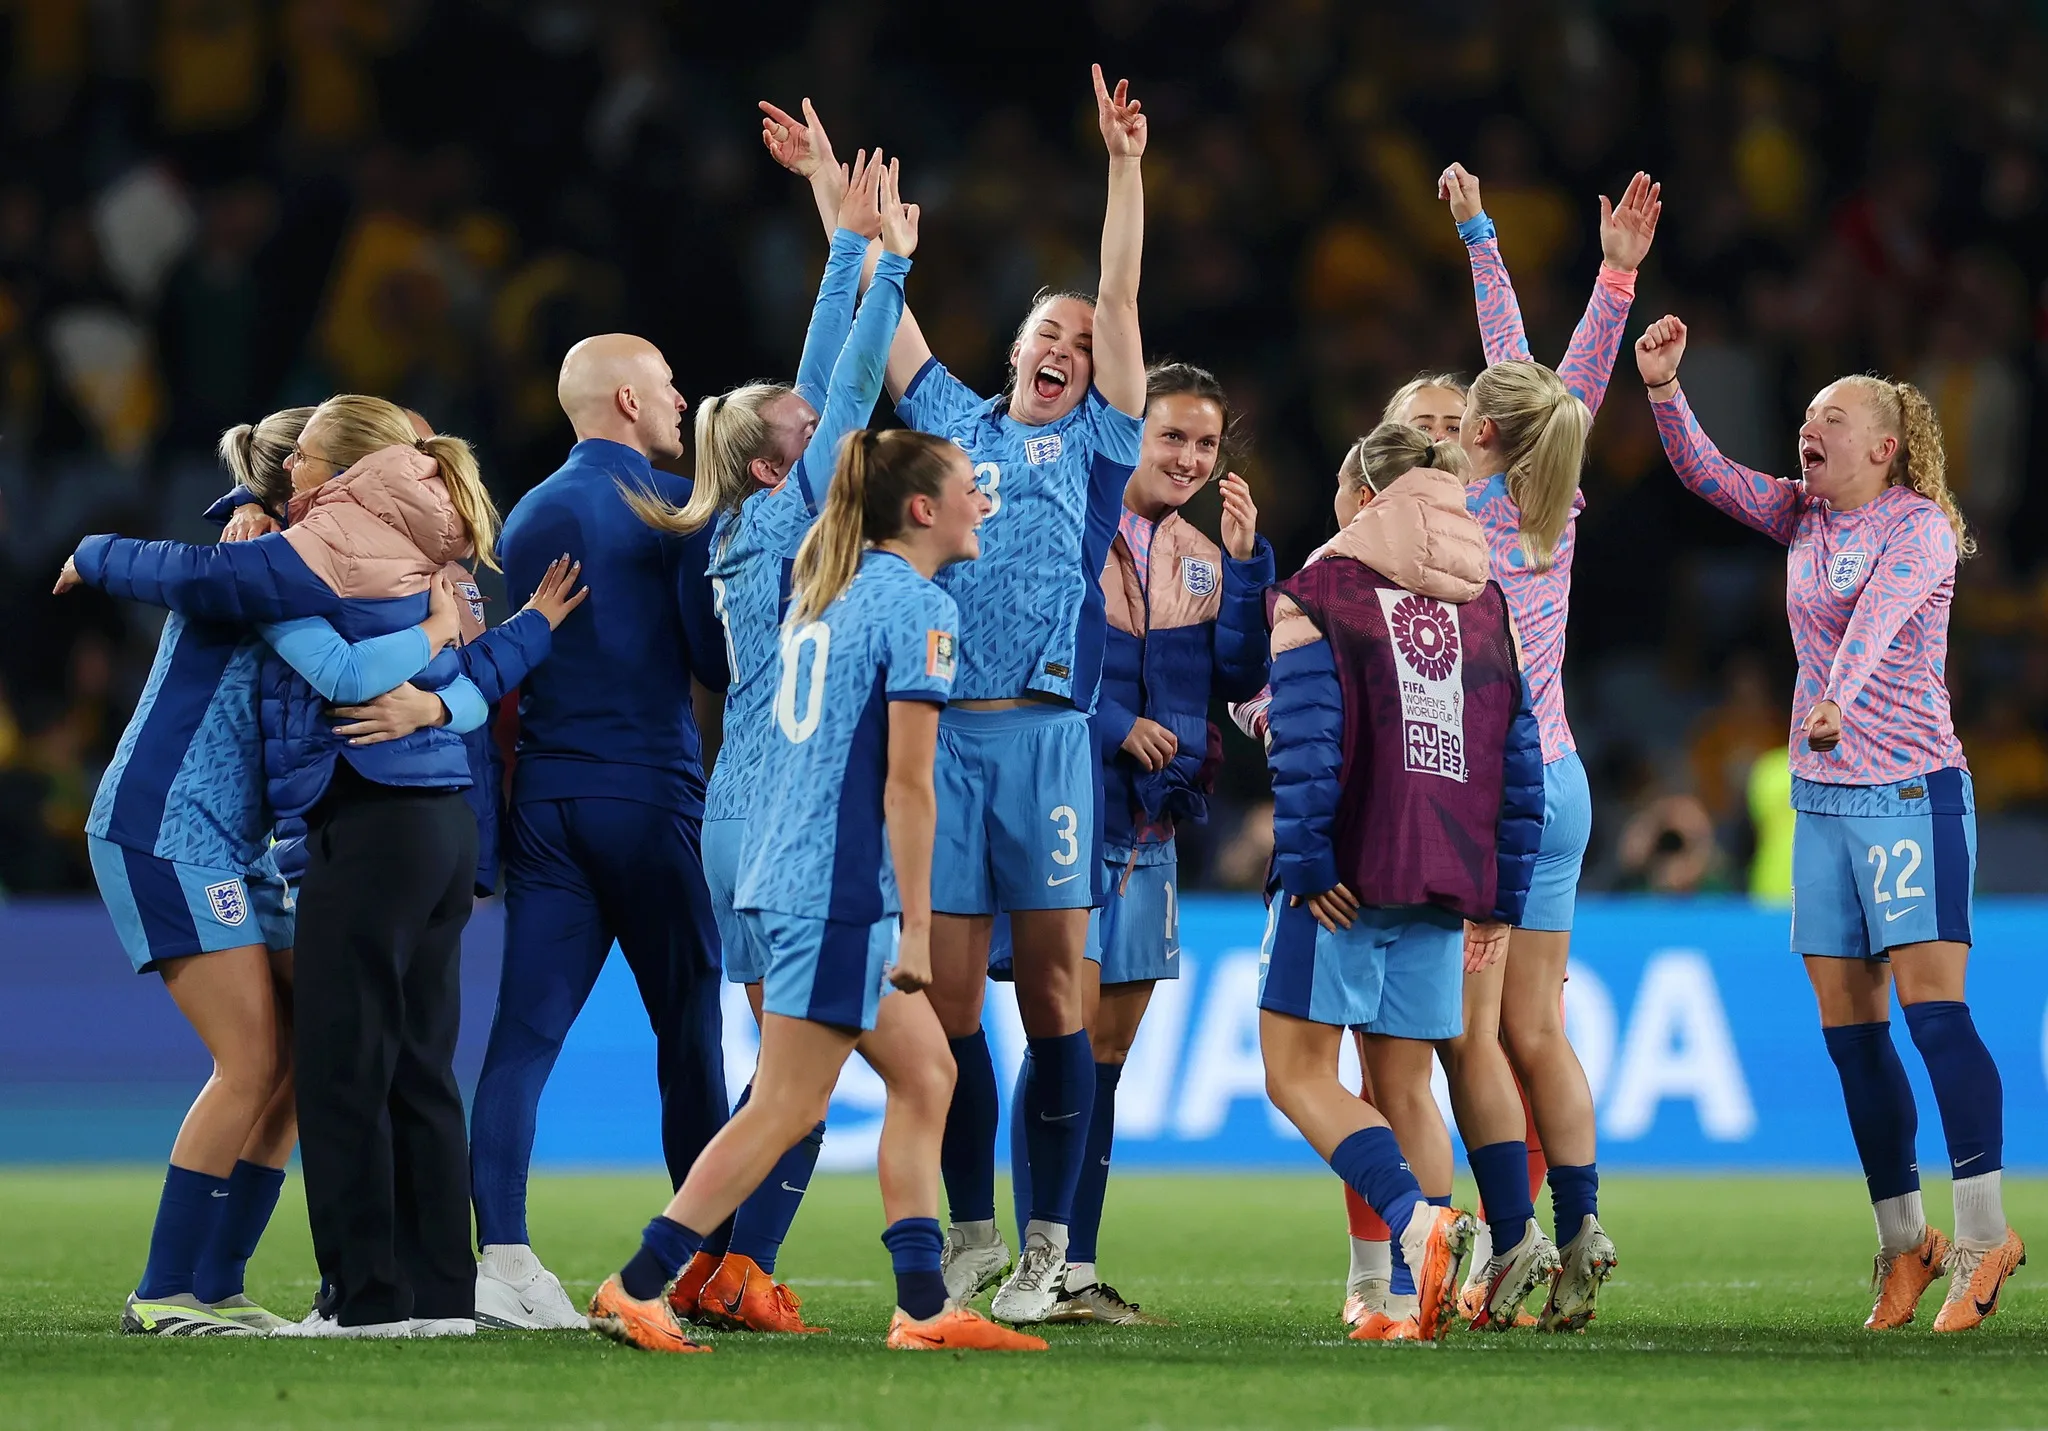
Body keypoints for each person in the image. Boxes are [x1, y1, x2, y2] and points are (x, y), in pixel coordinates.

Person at [62, 394, 553, 1337]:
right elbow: (324, 656)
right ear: (319, 479)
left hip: (241, 845)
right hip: (166, 822)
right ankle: (165, 1289)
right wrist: (434, 634)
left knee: (306, 1057)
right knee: (252, 1060)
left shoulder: (327, 557)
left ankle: (218, 1281)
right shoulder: (274, 560)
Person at [585, 427, 1041, 1354]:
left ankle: (922, 1306)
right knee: (787, 1106)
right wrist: (919, 922)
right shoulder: (915, 608)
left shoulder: (826, 592)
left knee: (927, 1075)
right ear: (922, 509)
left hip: (796, 871)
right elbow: (907, 786)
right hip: (834, 889)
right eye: (966, 487)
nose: (981, 501)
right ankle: (638, 1283)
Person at [1638, 314, 2026, 1332]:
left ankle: (1984, 1230)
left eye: (1828, 420)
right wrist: (1662, 391)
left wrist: (1832, 701)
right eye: (1805, 418)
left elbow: (1875, 625)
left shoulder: (1917, 527)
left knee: (1932, 1014)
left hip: (1906, 794)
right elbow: (1706, 477)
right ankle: (1906, 1244)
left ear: (1882, 448)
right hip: (1821, 809)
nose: (1805, 431)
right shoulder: (1802, 516)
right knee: (1849, 1038)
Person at [624, 149, 920, 1333]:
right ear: (772, 459)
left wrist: (846, 245)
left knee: (796, 1069)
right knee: (804, 1074)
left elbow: (813, 385)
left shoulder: (746, 521)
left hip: (730, 819)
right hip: (792, 817)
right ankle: (700, 1268)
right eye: (806, 430)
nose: (832, 426)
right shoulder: (797, 510)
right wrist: (888, 268)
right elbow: (840, 385)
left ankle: (716, 1267)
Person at [881, 65, 1149, 1324]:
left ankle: (1052, 1247)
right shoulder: (953, 430)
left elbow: (1119, 290)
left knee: (1054, 996)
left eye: (1080, 345)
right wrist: (855, 228)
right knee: (942, 1006)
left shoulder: (1097, 443)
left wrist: (1122, 168)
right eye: (1048, 333)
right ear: (1012, 350)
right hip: (942, 745)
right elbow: (887, 334)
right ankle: (980, 1232)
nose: (1065, 347)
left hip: (1046, 744)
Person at [469, 325, 734, 1329]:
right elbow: (711, 663)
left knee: (524, 1038)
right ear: (625, 401)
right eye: (666, 385)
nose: (678, 401)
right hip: (648, 798)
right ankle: (710, 1265)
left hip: (544, 800)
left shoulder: (530, 512)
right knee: (688, 1028)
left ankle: (499, 1256)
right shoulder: (671, 510)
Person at [1258, 420, 1543, 1345]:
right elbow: (1519, 758)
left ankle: (1421, 1227)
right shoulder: (1487, 601)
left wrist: (1306, 860)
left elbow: (1304, 738)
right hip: (1447, 874)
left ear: (1359, 495)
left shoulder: (1322, 590)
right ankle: (1400, 1307)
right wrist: (1499, 888)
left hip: (1347, 870)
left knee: (1296, 1074)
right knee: (1407, 1084)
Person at [1007, 362, 1272, 1324]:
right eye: (1172, 438)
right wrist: (1116, 719)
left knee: (1108, 1051)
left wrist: (1247, 569)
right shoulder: (1064, 525)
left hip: (1153, 828)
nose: (1191, 459)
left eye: (1206, 444)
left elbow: (1239, 673)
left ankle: (1074, 1263)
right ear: (1129, 432)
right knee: (1061, 1039)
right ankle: (1031, 1260)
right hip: (1069, 812)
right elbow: (1020, 646)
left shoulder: (1203, 555)